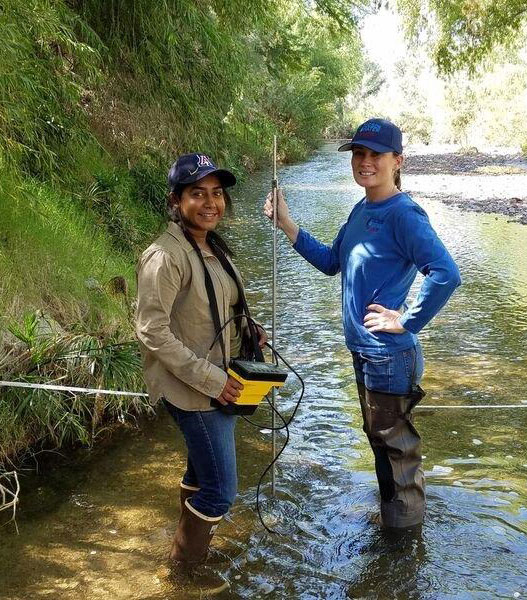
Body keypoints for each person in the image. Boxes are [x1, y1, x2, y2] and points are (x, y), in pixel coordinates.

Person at [264, 118, 461, 529]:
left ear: (397, 161)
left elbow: (445, 273)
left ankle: (403, 545)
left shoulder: (404, 214)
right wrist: (286, 222)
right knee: (382, 445)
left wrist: (407, 320)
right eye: (359, 154)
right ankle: (395, 525)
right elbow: (331, 262)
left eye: (376, 154)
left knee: (395, 451)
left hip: (388, 356)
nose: (365, 162)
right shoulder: (362, 207)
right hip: (366, 352)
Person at [135, 153, 266, 569]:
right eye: (197, 194)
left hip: (219, 382)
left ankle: (187, 547)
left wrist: (249, 328)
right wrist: (211, 379)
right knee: (221, 490)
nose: (211, 203)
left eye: (217, 193)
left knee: (200, 474)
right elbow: (151, 330)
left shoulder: (210, 245)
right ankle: (183, 571)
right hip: (196, 391)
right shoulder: (165, 255)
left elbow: (214, 305)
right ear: (176, 201)